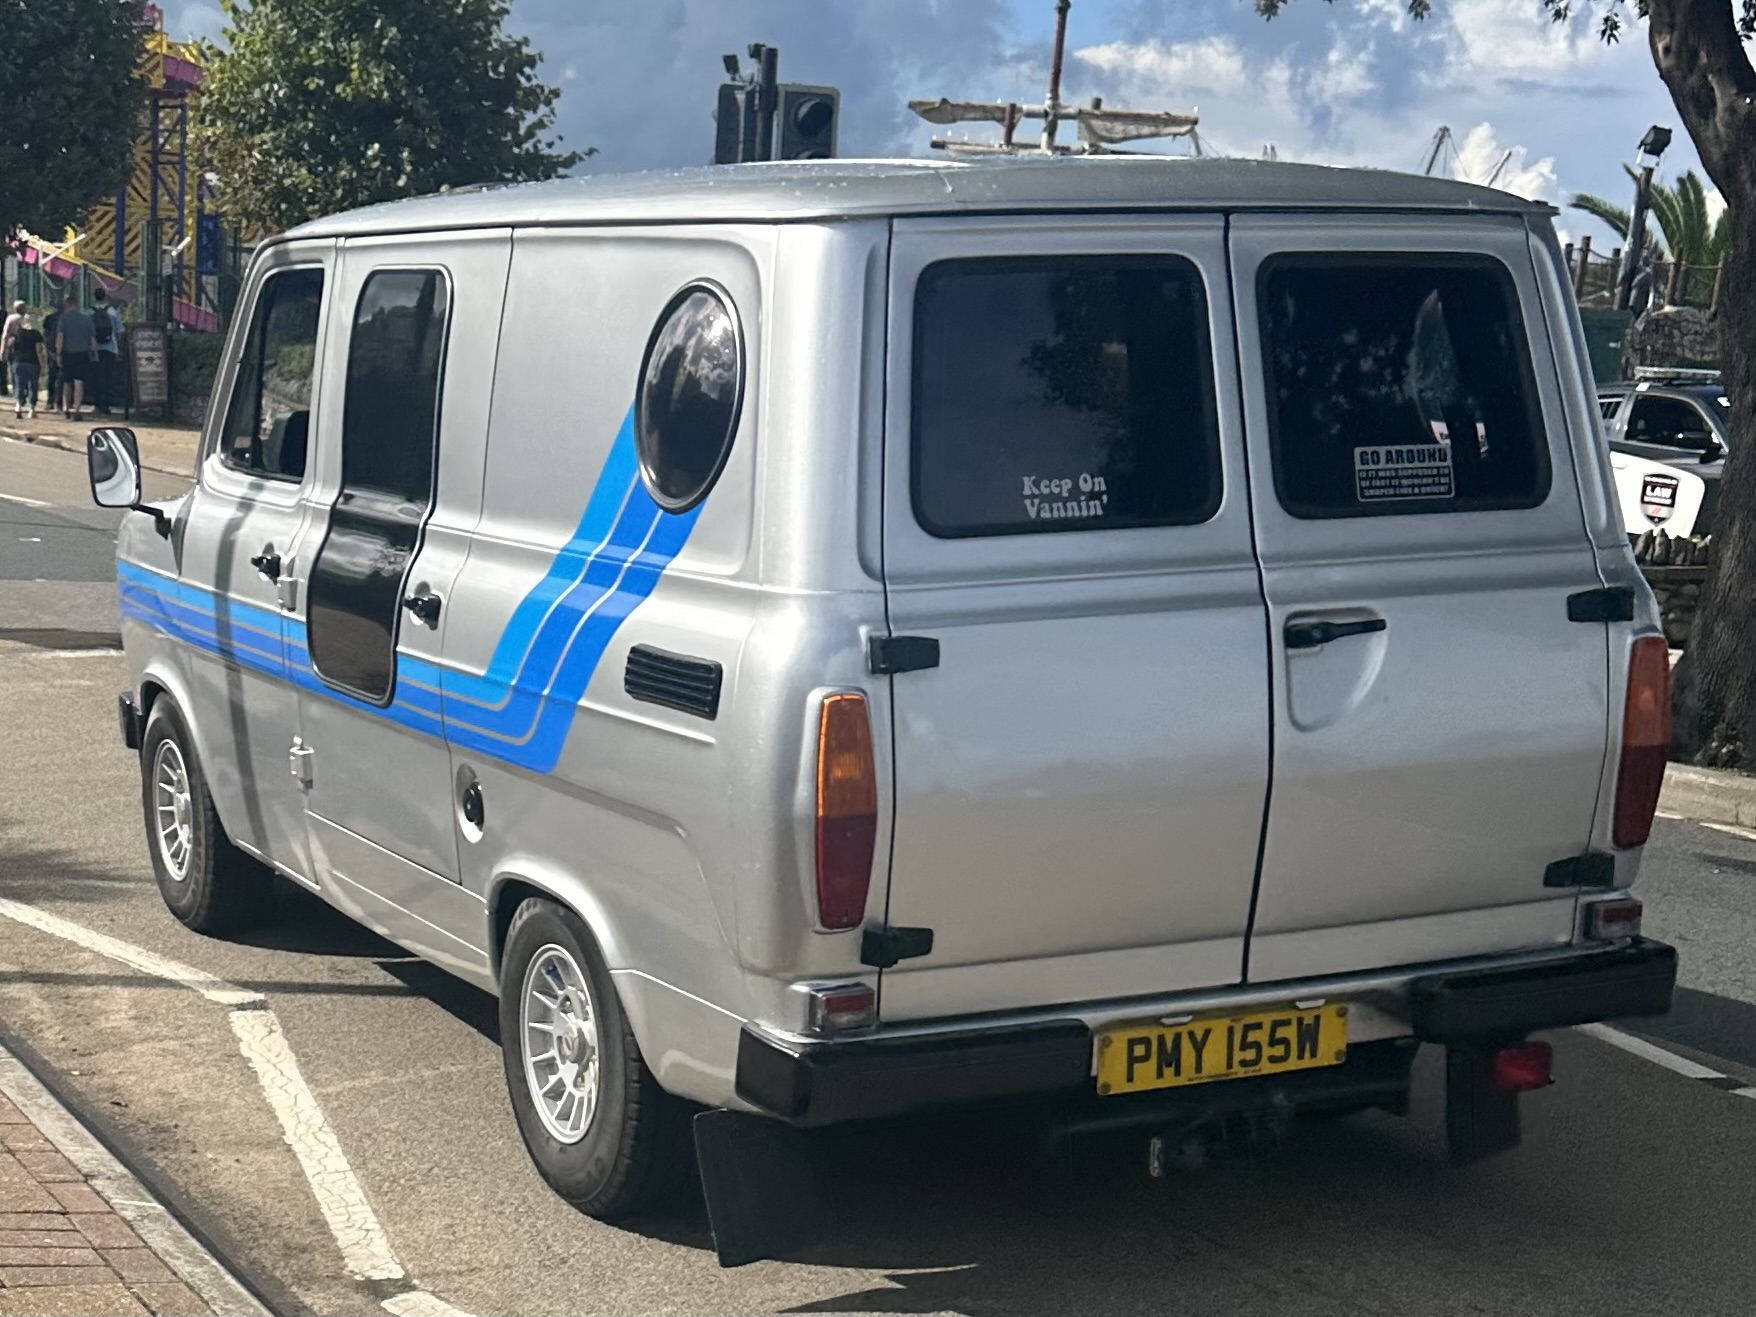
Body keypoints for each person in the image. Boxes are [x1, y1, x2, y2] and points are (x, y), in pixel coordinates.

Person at [55, 295, 96, 419]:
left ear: (67, 305)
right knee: (79, 383)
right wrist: (95, 354)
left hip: (68, 353)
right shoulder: (87, 319)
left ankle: (66, 408)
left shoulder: (64, 318)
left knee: (67, 382)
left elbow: (60, 337)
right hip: (82, 354)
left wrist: (58, 353)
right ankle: (77, 410)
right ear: (76, 304)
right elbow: (92, 339)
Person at [90, 285, 125, 414]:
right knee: (107, 377)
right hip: (111, 348)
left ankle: (96, 403)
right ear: (105, 297)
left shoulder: (89, 311)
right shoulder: (112, 311)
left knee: (95, 376)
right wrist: (119, 349)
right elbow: (120, 331)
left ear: (94, 297)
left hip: (94, 349)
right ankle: (106, 404)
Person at [8, 315, 45, 418]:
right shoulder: (36, 334)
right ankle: (32, 410)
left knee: (20, 384)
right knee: (33, 386)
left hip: (18, 362)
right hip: (33, 362)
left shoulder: (17, 333)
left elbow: (10, 347)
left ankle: (18, 406)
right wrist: (41, 364)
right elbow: (39, 351)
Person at [0, 301, 22, 398]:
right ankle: (15, 389)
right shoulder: (27, 318)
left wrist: (3, 348)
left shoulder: (10, 318)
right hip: (23, 345)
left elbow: (6, 333)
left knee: (11, 366)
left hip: (11, 344)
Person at [41, 302, 62, 406]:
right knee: (63, 377)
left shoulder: (49, 318)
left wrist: (48, 349)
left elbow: (45, 335)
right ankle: (60, 401)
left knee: (52, 376)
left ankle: (50, 400)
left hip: (52, 350)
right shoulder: (66, 318)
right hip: (65, 351)